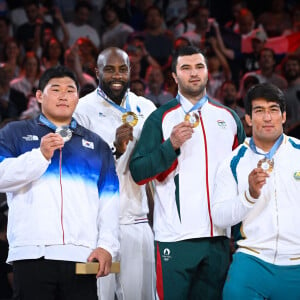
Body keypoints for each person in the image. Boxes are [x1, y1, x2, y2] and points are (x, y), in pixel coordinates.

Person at [129, 45, 246, 300]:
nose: (194, 73)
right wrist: (169, 146)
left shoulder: (229, 118)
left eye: (199, 67)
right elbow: (138, 172)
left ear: (207, 72)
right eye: (186, 68)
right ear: (174, 76)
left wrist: (240, 237)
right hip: (174, 239)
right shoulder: (160, 118)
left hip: (218, 239)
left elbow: (243, 181)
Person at [0, 66, 120, 299]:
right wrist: (40, 156)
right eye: (55, 89)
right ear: (38, 96)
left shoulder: (97, 145)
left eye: (70, 90)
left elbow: (110, 202)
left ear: (78, 97)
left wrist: (107, 246)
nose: (64, 95)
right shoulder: (14, 133)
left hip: (82, 257)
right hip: (32, 254)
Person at [74, 47, 157, 300]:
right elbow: (78, 168)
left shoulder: (146, 107)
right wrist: (115, 150)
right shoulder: (82, 109)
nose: (116, 75)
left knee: (141, 296)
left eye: (122, 69)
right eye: (109, 70)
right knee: (98, 295)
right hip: (95, 228)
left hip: (138, 222)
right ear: (97, 71)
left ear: (130, 70)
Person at [212, 83, 300, 300]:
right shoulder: (233, 162)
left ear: (284, 116)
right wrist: (249, 195)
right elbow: (219, 217)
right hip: (252, 259)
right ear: (249, 119)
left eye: (273, 110)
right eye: (260, 111)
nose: (267, 117)